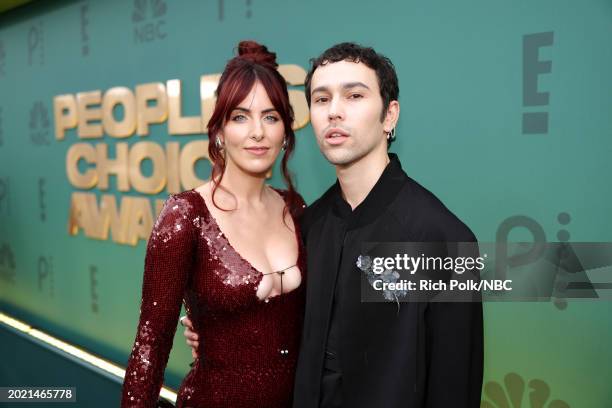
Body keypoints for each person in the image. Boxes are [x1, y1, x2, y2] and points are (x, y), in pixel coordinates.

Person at [183, 42, 484, 408]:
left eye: (354, 95)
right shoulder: (306, 226)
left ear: (390, 116)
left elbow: (454, 388)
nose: (334, 112)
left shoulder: (445, 240)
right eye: (321, 99)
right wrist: (217, 332)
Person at [121, 40, 307, 408]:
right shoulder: (185, 215)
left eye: (270, 117)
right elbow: (150, 345)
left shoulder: (296, 208)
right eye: (240, 116)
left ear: (285, 132)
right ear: (219, 131)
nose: (257, 132)